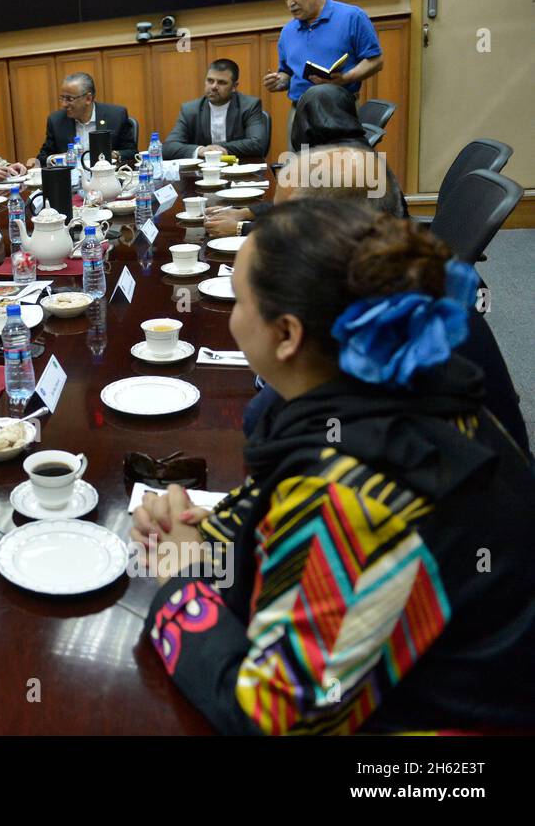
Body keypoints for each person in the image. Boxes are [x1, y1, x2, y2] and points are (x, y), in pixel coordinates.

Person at [134, 199, 535, 734]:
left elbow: (275, 720)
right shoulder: (397, 384)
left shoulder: (353, 490)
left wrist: (180, 581)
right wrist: (209, 533)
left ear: (287, 335)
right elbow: (281, 505)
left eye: (238, 297)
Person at [206, 83, 404, 238]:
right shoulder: (355, 148)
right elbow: (298, 204)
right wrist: (243, 213)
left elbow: (302, 229)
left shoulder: (338, 166)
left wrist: (241, 228)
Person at [263, 0, 383, 150]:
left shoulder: (352, 16)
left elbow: (375, 61)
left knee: (341, 173)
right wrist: (280, 81)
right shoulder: (287, 31)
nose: (290, 3)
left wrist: (344, 79)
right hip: (300, 111)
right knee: (300, 172)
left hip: (340, 109)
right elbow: (287, 72)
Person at [161, 59, 269, 160]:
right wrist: (200, 150)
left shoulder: (249, 106)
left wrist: (215, 149)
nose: (214, 86)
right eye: (210, 81)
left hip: (240, 169)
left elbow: (257, 144)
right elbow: (168, 147)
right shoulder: (190, 110)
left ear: (234, 86)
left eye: (221, 82)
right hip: (202, 173)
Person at [34, 72, 137, 166]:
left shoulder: (116, 116)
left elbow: (132, 152)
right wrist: (59, 157)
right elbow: (42, 158)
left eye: (69, 99)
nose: (64, 104)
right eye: (62, 98)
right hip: (71, 180)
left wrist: (113, 154)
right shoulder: (56, 121)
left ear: (88, 98)